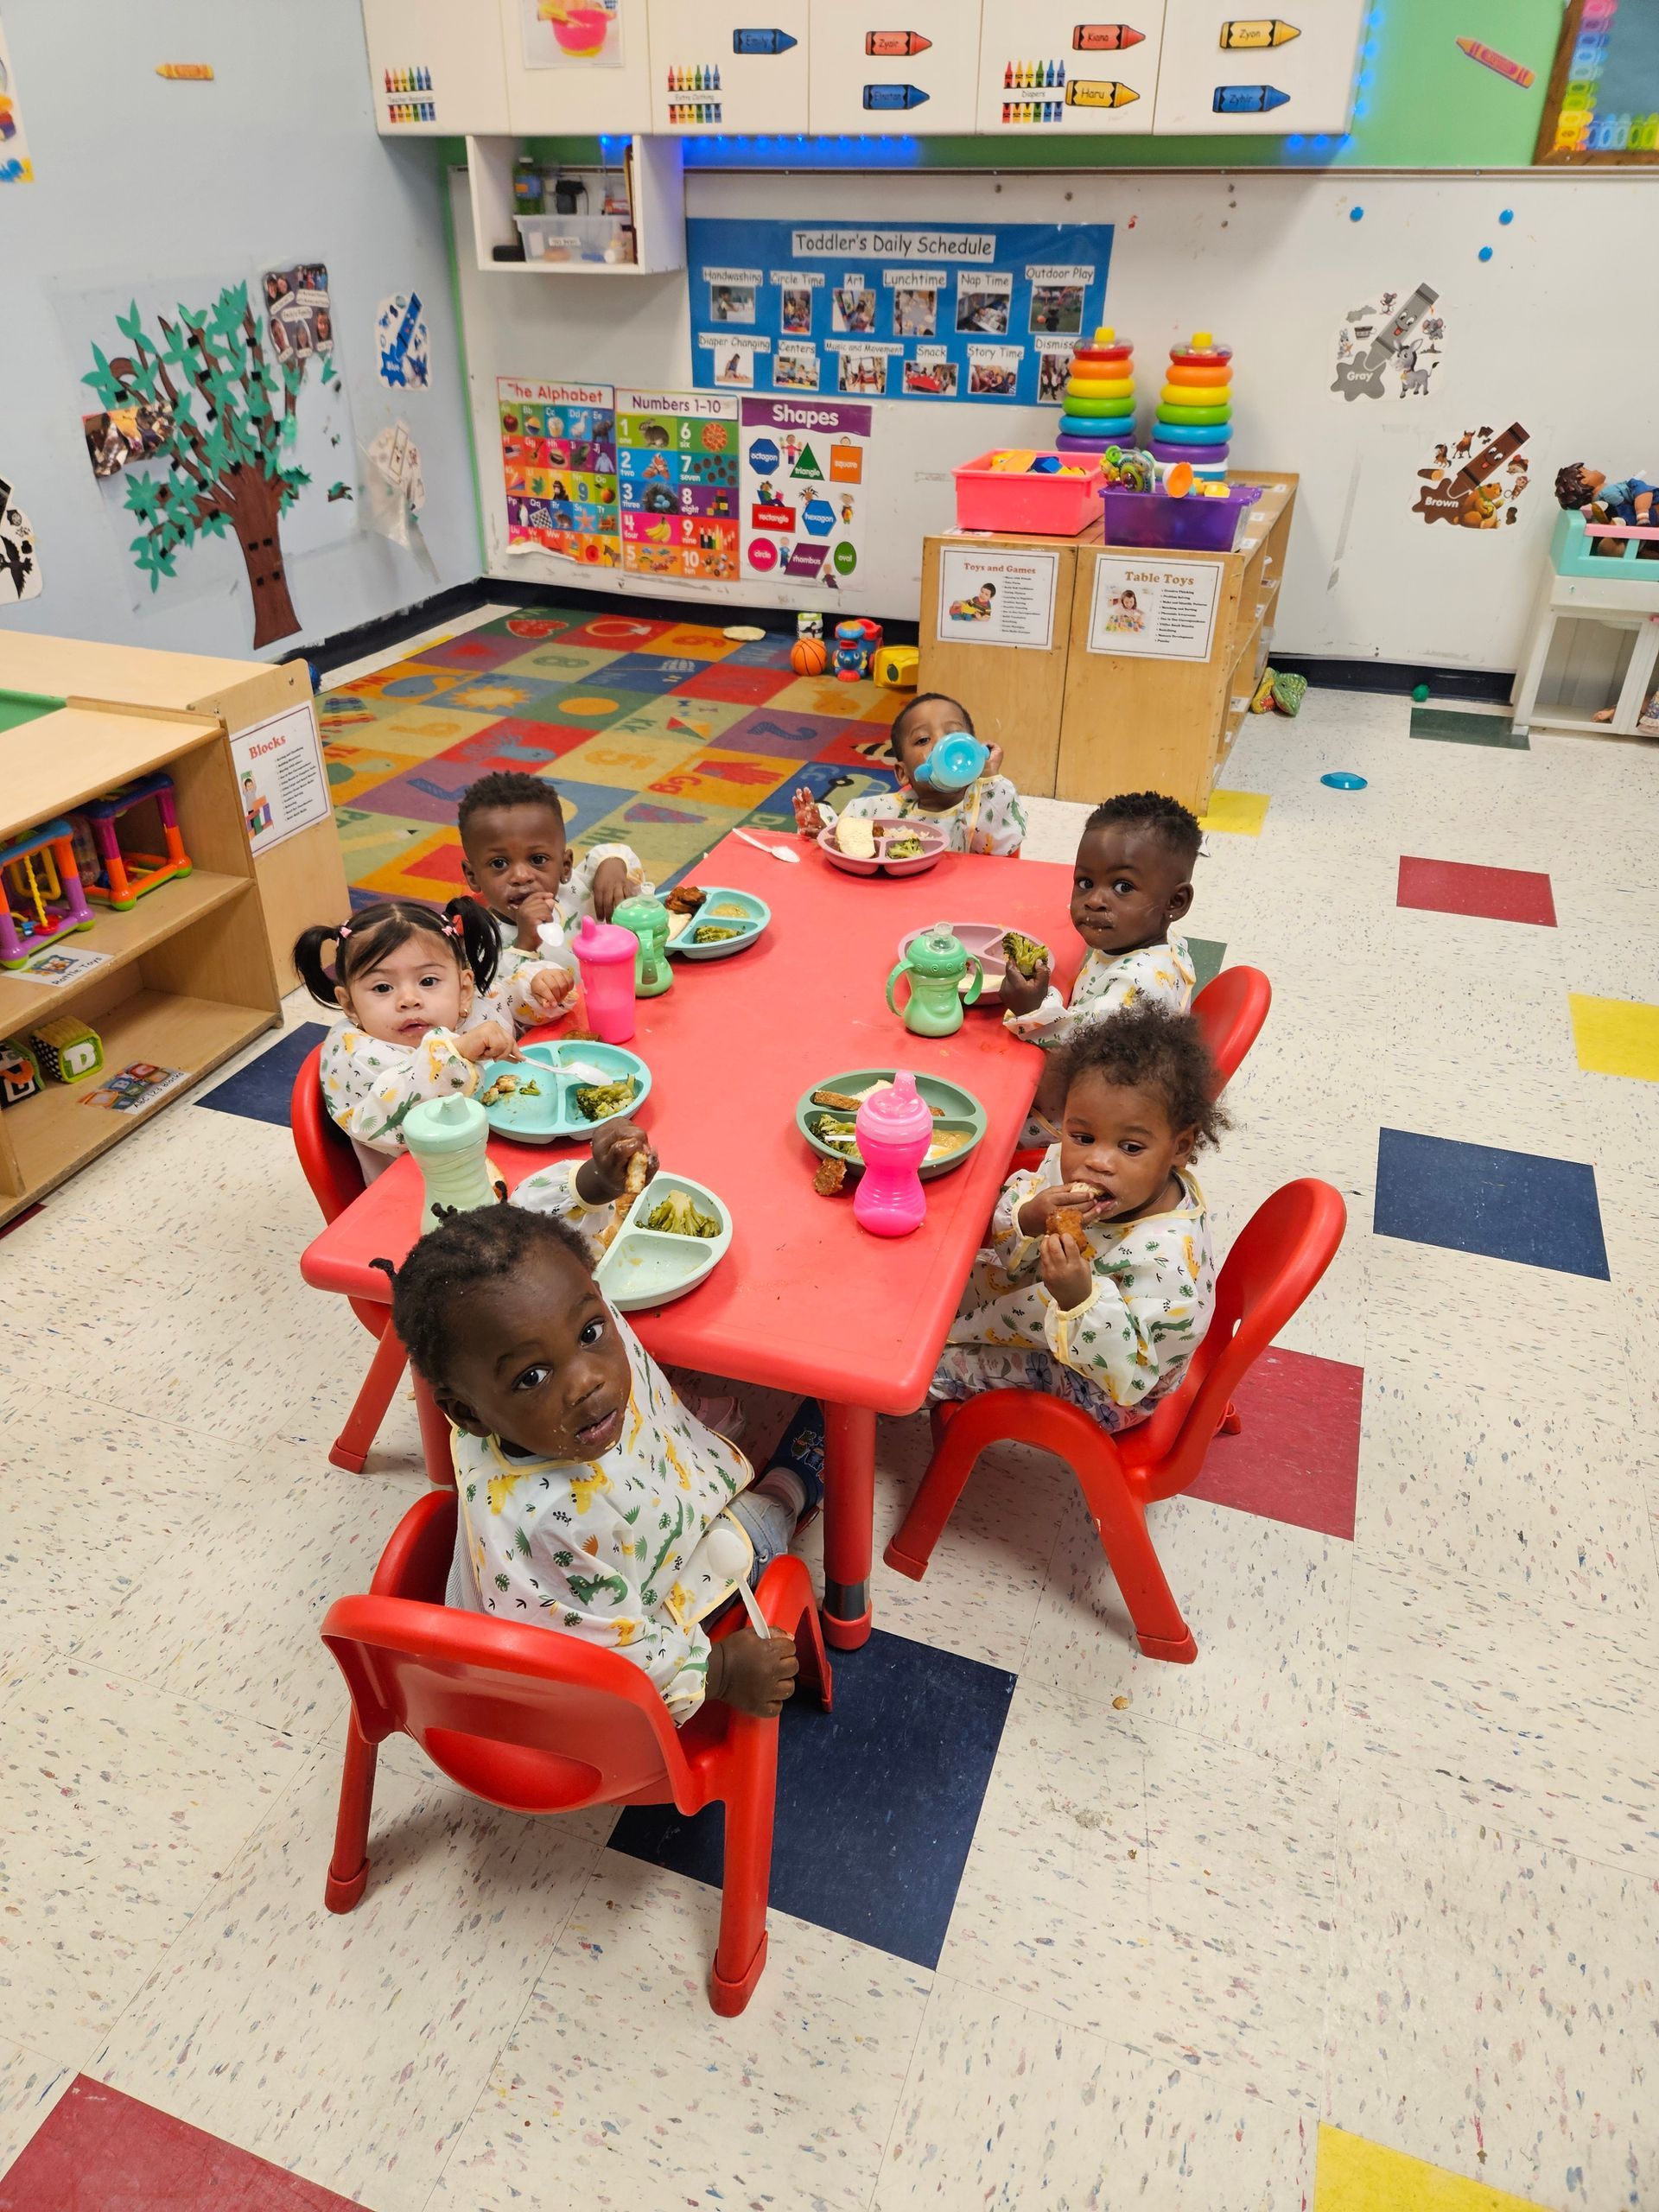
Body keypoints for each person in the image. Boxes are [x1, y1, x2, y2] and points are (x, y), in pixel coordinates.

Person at [381, 1197, 820, 1723]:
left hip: (629, 1551)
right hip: (609, 1683)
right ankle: (792, 1487)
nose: (586, 1379)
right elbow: (603, 1670)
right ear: (467, 1414)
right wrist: (720, 1671)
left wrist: (592, 1186)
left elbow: (552, 1260)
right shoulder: (546, 1531)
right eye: (532, 1377)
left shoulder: (514, 1395)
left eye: (591, 1331)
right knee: (762, 1523)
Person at [931, 1003, 1224, 1432]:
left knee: (933, 1366)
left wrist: (1079, 1299)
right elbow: (1008, 1235)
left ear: (1179, 1148)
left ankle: (830, 1442)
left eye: (1131, 1148)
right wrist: (1029, 1217)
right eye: (1082, 1137)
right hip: (1035, 1305)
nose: (1098, 1162)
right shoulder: (1095, 1171)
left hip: (1098, 1382)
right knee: (927, 1290)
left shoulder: (1166, 1262)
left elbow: (1131, 1376)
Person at [1001, 790, 1199, 1139]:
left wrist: (1031, 1009)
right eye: (1085, 883)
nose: (1094, 901)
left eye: (1123, 886)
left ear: (1176, 901)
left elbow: (1079, 1040)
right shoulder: (1156, 940)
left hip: (1078, 1126)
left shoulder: (1138, 983)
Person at [295, 898, 531, 1172]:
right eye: (383, 988)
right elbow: (397, 1125)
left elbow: (510, 999)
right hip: (424, 1191)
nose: (408, 1000)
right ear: (349, 1005)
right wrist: (456, 1054)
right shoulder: (356, 1056)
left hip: (505, 1152)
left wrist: (536, 989)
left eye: (428, 981)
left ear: (464, 988)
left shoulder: (471, 1005)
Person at [457, 770, 649, 1004]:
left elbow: (617, 856)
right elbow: (500, 1001)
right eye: (499, 863)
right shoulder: (482, 942)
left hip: (621, 1000)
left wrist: (613, 865)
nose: (521, 876)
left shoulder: (579, 891)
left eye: (537, 859)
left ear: (565, 866)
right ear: (472, 876)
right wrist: (524, 945)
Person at [791, 693, 1027, 857]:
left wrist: (987, 777)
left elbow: (1001, 845)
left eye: (953, 735)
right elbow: (847, 832)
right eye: (923, 740)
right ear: (903, 773)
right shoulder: (882, 811)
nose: (941, 746)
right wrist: (821, 826)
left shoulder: (984, 805)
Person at [1554, 461, 1657, 527]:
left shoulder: (1600, 497)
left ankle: (1625, 519)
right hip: (1640, 501)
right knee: (1639, 485)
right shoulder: (1608, 492)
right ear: (1585, 481)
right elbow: (1622, 504)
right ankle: (1642, 514)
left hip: (1626, 506)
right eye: (1588, 471)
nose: (1594, 470)